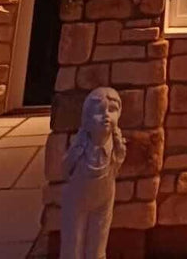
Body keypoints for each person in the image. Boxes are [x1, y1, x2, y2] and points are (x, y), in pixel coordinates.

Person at [61, 86, 127, 259]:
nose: (106, 116)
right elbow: (66, 168)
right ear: (87, 119)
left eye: (112, 110)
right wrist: (75, 152)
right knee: (73, 242)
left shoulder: (116, 146)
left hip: (104, 199)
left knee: (98, 243)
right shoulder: (81, 146)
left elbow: (117, 165)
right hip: (77, 199)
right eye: (99, 111)